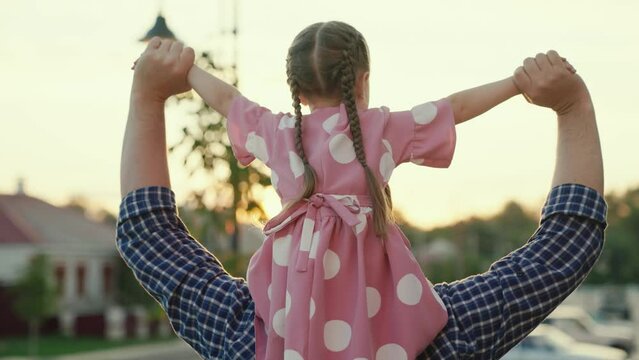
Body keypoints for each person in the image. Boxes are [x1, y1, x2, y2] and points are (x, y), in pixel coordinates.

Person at [118, 32, 605, 360]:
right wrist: (546, 95)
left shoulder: (250, 340)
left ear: (298, 91)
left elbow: (151, 236)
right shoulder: (435, 339)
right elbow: (561, 251)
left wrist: (169, 82)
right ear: (362, 82)